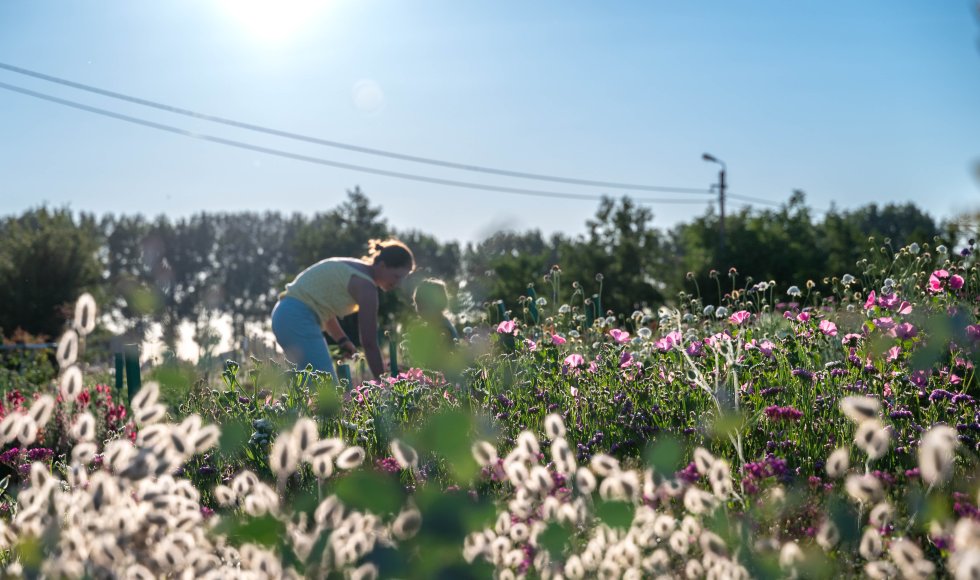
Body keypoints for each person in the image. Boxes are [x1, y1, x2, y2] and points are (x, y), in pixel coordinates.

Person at [271, 239, 414, 383]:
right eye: (396, 276)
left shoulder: (356, 269)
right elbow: (369, 342)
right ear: (382, 266)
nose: (398, 283)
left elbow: (324, 309)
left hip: (286, 314)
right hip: (297, 318)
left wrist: (342, 340)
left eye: (403, 279)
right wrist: (384, 383)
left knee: (310, 388)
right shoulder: (366, 287)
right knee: (325, 389)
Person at [412, 278, 459, 347]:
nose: (420, 308)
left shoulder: (443, 330)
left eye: (424, 304)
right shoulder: (434, 326)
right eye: (417, 303)